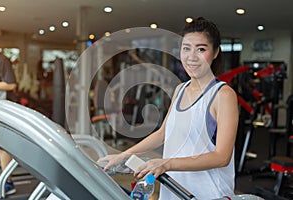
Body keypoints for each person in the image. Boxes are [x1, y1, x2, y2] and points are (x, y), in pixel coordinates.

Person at [98, 17, 239, 200]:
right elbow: (163, 133)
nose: (192, 57)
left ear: (215, 52)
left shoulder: (223, 95)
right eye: (186, 48)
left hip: (208, 194)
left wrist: (166, 164)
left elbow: (222, 157)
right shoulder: (181, 90)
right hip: (174, 190)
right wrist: (123, 155)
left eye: (201, 49)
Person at [0, 41, 17, 196]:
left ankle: (8, 181)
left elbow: (11, 85)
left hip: (2, 110)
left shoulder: (2, 60)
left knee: (2, 147)